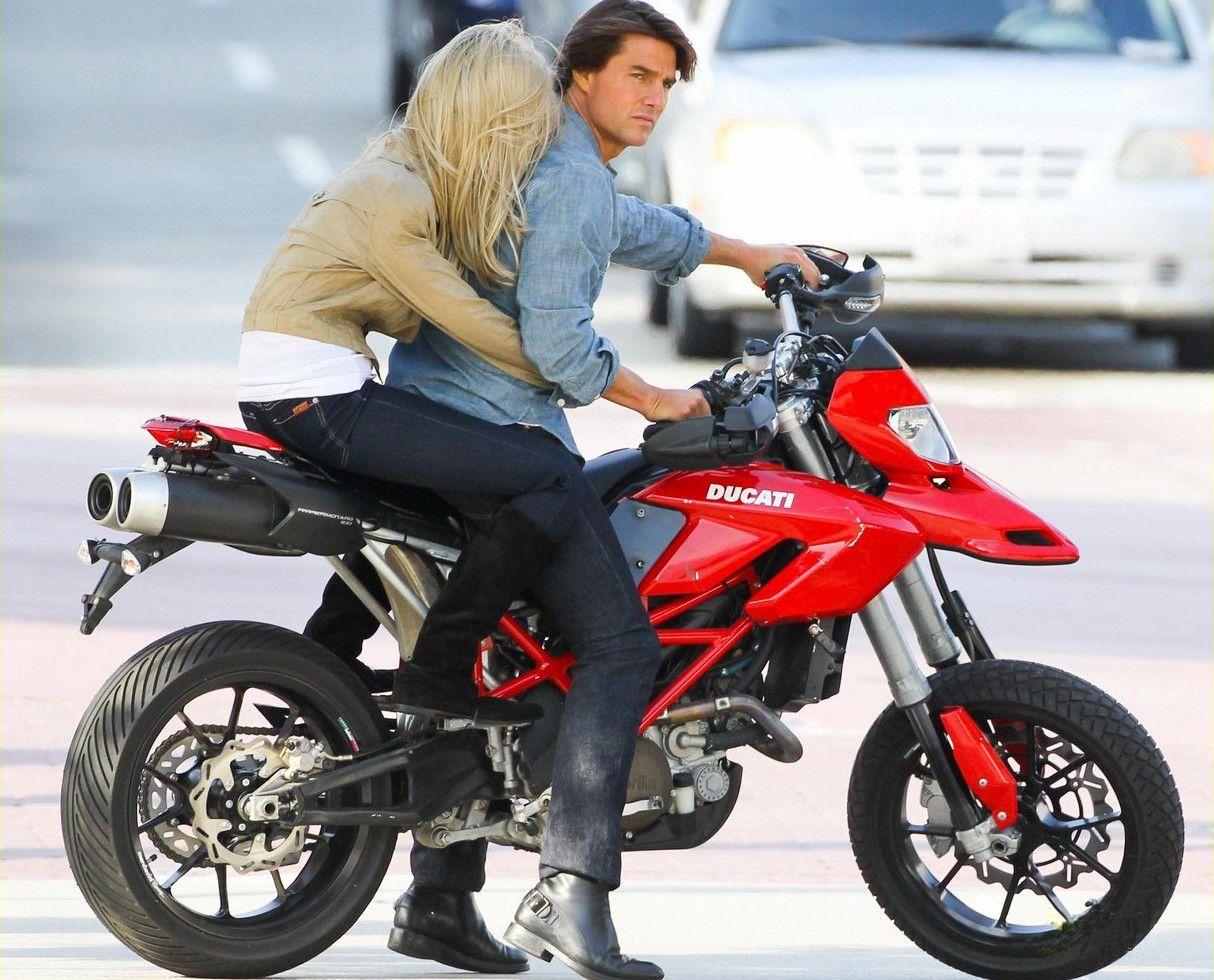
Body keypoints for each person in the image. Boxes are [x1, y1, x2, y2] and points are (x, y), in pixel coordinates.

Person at [303, 4, 823, 978]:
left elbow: (630, 226)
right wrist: (655, 397)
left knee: (495, 655)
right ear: (579, 75)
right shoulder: (570, 174)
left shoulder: (545, 159)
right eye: (636, 75)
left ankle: (439, 900)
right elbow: (556, 343)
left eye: (666, 83)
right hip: (496, 440)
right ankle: (572, 896)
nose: (654, 98)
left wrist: (747, 255)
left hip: (433, 427)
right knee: (619, 647)